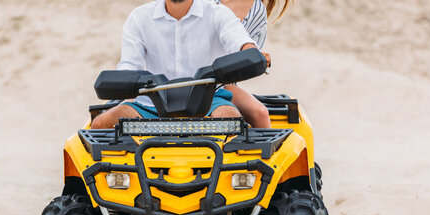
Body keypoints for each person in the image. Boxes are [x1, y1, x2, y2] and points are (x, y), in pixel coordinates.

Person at [91, 0, 264, 129]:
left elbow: (240, 41)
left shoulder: (218, 13)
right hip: (149, 103)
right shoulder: (139, 17)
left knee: (231, 122)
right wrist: (121, 83)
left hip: (210, 102)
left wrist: (249, 51)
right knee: (99, 125)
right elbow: (129, 67)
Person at [215, 0, 293, 128]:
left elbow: (249, 55)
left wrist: (257, 59)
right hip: (192, 76)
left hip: (222, 83)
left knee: (260, 112)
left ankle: (264, 147)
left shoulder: (257, 11)